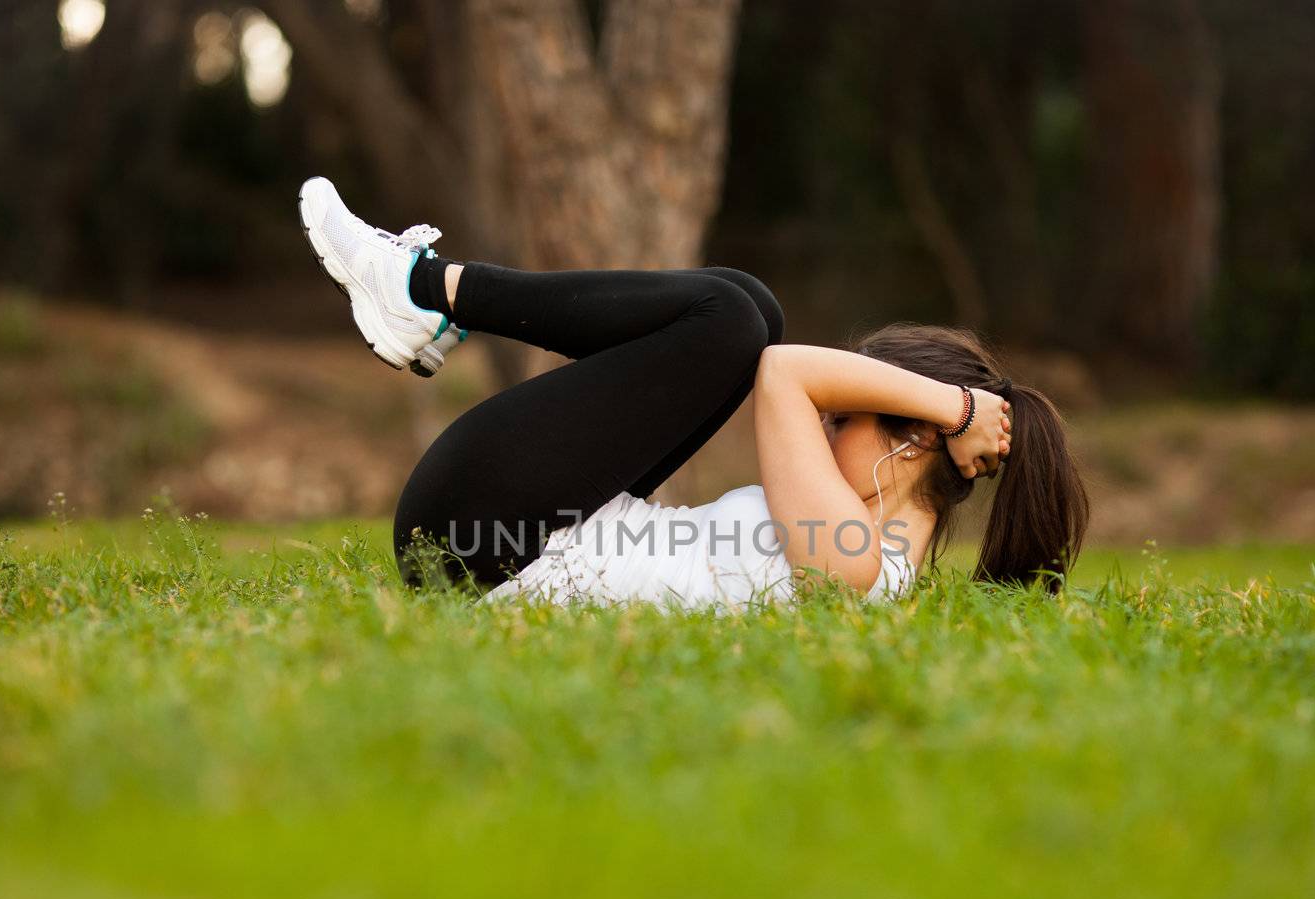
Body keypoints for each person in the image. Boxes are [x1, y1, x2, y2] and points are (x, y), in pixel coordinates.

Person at [298, 177, 1088, 607]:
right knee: (751, 307)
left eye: (843, 416)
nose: (821, 420)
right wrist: (945, 410)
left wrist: (952, 406)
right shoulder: (868, 551)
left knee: (736, 328)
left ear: (911, 438)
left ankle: (427, 288)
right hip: (509, 528)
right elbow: (779, 361)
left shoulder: (858, 563)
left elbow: (781, 372)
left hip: (483, 548)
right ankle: (426, 300)